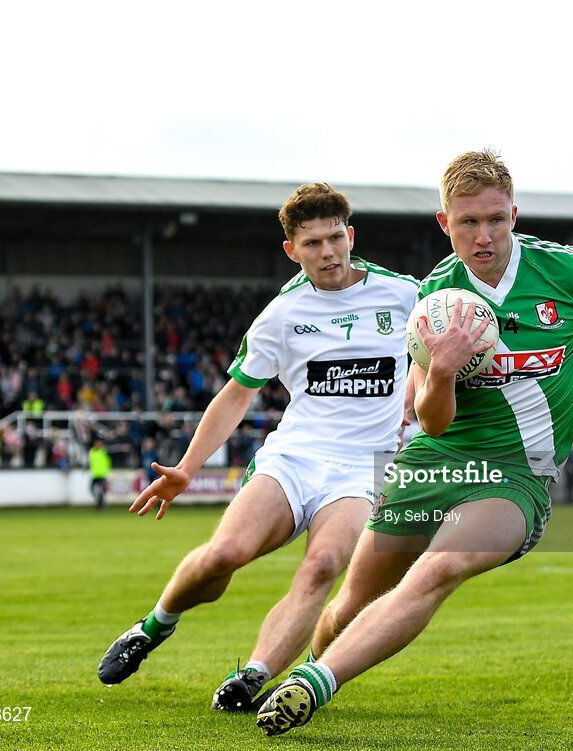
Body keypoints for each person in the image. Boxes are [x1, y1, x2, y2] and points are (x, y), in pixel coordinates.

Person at [255, 149, 573, 735]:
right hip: (432, 460)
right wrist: (441, 371)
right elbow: (433, 422)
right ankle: (310, 670)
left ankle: (313, 686)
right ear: (444, 223)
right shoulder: (434, 299)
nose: (484, 235)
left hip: (518, 473)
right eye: (468, 222)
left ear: (514, 214)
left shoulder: (571, 270)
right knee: (349, 603)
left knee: (439, 567)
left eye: (496, 219)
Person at [96, 183, 418, 714]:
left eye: (336, 237)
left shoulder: (404, 294)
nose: (329, 252)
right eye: (312, 243)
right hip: (293, 459)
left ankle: (253, 676)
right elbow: (235, 396)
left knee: (322, 567)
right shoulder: (281, 314)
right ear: (292, 250)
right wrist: (186, 467)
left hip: (362, 470)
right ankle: (153, 626)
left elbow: (446, 335)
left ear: (351, 235)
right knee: (224, 556)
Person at [88, 438, 111, 511]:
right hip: (95, 474)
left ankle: (101, 505)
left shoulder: (104, 451)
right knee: (92, 489)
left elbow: (108, 461)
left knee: (100, 490)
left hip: (102, 474)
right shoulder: (92, 451)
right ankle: (99, 502)